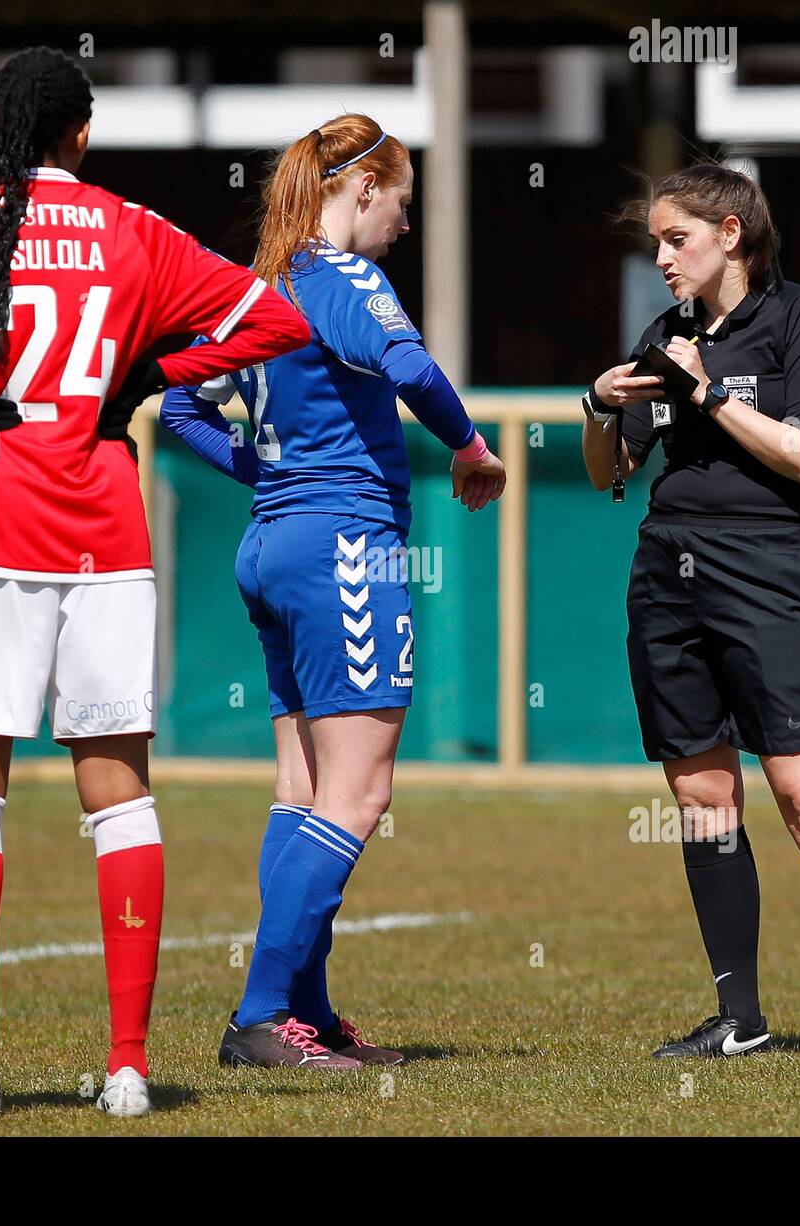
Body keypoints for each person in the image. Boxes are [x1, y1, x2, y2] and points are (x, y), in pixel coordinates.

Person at [0, 46, 309, 1118]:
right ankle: (129, 1069)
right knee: (118, 786)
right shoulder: (133, 227)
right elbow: (278, 320)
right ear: (81, 135)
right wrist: (146, 373)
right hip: (103, 529)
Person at [152, 113, 506, 1069]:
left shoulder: (254, 288)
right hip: (344, 546)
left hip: (273, 545)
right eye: (400, 202)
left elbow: (178, 406)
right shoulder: (342, 277)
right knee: (358, 793)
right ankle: (261, 1017)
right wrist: (471, 450)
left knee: (302, 788)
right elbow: (412, 368)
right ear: (360, 191)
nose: (401, 222)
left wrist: (265, 472)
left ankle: (301, 1009)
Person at [581, 162, 800, 1060]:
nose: (660, 257)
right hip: (666, 574)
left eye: (675, 239)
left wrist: (707, 392)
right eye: (654, 241)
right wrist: (599, 407)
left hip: (768, 574)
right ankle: (740, 1018)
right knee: (701, 797)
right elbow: (608, 473)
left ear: (732, 234)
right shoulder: (667, 332)